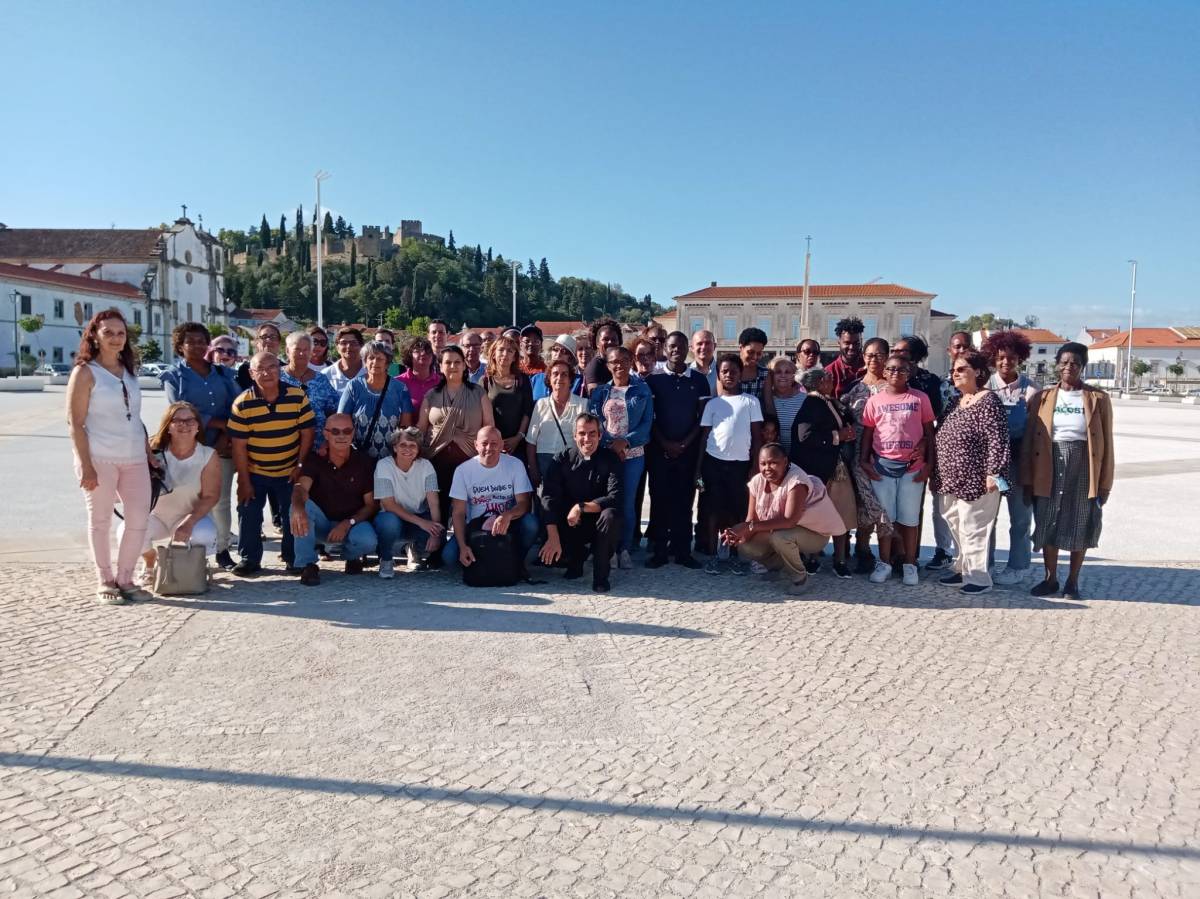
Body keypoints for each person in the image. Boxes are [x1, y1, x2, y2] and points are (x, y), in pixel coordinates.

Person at [66, 308, 155, 604]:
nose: (115, 338)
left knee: (138, 519)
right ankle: (105, 580)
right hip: (99, 458)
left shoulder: (129, 370)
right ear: (94, 336)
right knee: (100, 520)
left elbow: (135, 417)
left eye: (120, 333)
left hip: (135, 458)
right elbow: (75, 423)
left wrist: (148, 452)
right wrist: (85, 465)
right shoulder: (85, 372)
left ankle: (125, 578)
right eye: (108, 333)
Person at [1021, 342, 1114, 601]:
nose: (1068, 367)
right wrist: (1027, 479)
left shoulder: (1098, 399)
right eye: (1064, 362)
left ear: (1083, 366)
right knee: (1048, 519)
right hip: (1048, 464)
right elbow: (1029, 440)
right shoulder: (1042, 398)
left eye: (1075, 363)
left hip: (1084, 465)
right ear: (1057, 365)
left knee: (1080, 520)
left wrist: (1104, 483)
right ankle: (1050, 578)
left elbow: (1107, 443)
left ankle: (1073, 581)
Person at [160, 322, 240, 570]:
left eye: (201, 341)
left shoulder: (224, 375)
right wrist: (217, 423)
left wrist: (227, 434)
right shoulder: (174, 376)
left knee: (220, 500)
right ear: (180, 346)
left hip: (223, 445)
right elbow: (176, 409)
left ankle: (222, 549)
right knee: (188, 498)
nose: (196, 345)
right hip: (188, 447)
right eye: (190, 341)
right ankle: (188, 549)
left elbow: (238, 406)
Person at [227, 352, 315, 576]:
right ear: (251, 373)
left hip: (289, 470)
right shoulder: (242, 403)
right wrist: (244, 481)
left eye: (272, 367)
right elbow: (238, 446)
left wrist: (300, 466)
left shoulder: (297, 396)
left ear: (280, 369)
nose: (267, 373)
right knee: (249, 512)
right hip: (256, 471)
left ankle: (292, 557)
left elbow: (307, 433)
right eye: (260, 369)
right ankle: (249, 559)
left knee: (291, 514)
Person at [932, 351, 1010, 595]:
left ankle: (978, 577)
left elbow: (998, 439)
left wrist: (994, 473)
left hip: (977, 479)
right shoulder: (956, 401)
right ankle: (962, 568)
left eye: (961, 369)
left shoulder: (989, 401)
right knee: (956, 524)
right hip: (950, 478)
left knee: (974, 527)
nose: (955, 374)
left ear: (978, 371)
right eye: (953, 370)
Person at [722, 444, 850, 595]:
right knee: (746, 546)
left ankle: (800, 578)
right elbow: (751, 519)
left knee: (780, 537)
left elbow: (789, 520)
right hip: (786, 530)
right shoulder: (757, 481)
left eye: (773, 463)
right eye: (763, 463)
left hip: (814, 534)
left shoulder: (797, 481)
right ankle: (780, 568)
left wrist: (748, 527)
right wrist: (738, 534)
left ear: (785, 461)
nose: (767, 468)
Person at [859, 353, 935, 586]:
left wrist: (929, 465)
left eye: (901, 370)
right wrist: (864, 461)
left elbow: (929, 433)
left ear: (909, 373)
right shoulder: (874, 401)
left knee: (909, 519)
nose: (896, 373)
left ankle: (910, 564)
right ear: (884, 372)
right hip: (882, 466)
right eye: (891, 369)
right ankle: (884, 563)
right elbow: (868, 433)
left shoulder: (920, 398)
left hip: (913, 468)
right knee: (886, 519)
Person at [137, 402, 221, 586]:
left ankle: (195, 565)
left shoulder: (208, 455)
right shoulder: (153, 452)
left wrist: (188, 523)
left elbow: (211, 496)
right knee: (127, 532)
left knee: (204, 534)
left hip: (189, 515)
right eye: (178, 421)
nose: (185, 425)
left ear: (198, 426)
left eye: (190, 420)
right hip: (155, 517)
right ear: (168, 426)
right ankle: (150, 561)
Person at [290, 413, 378, 586]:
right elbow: (301, 488)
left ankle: (351, 557)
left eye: (347, 431)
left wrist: (348, 523)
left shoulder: (363, 462)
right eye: (335, 431)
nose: (341, 436)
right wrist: (298, 509)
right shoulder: (315, 459)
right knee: (299, 507)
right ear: (326, 434)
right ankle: (308, 565)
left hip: (351, 524)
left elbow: (371, 505)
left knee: (368, 540)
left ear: (353, 433)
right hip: (322, 524)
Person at [645, 332, 709, 569]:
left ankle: (683, 551)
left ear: (687, 348)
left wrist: (684, 444)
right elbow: (649, 417)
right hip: (659, 451)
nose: (676, 350)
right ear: (665, 348)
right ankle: (660, 551)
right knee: (659, 500)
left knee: (685, 501)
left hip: (688, 452)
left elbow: (702, 418)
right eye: (672, 346)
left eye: (681, 346)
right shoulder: (653, 380)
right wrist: (665, 443)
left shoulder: (699, 380)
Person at [539, 413, 623, 592]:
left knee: (611, 516)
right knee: (551, 512)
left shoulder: (610, 458)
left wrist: (581, 507)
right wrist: (552, 537)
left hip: (597, 520)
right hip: (569, 522)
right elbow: (548, 497)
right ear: (574, 435)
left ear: (600, 435)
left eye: (592, 434)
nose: (587, 439)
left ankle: (601, 576)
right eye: (582, 433)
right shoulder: (561, 459)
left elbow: (614, 497)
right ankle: (574, 560)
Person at [588, 346, 654, 570]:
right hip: (606, 455)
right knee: (605, 501)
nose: (619, 365)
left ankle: (624, 548)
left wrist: (625, 442)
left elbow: (646, 424)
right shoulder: (600, 393)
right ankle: (606, 548)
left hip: (633, 455)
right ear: (608, 365)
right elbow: (595, 422)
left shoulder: (642, 390)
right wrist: (611, 443)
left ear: (631, 361)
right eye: (614, 361)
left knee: (627, 503)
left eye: (624, 360)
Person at [697, 353, 764, 574]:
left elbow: (757, 438)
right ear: (718, 375)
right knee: (712, 510)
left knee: (737, 511)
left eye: (734, 371)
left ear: (740, 374)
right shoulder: (713, 404)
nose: (729, 375)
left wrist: (755, 466)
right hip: (713, 464)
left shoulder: (751, 402)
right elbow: (704, 438)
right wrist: (698, 470)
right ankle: (713, 555)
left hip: (740, 466)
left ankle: (735, 554)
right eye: (724, 371)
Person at [982, 330, 1038, 585]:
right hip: (993, 464)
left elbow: (1038, 429)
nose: (1006, 362)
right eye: (1001, 357)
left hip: (1018, 462)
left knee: (1020, 517)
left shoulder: (1031, 390)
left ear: (1020, 359)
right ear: (993, 358)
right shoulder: (985, 386)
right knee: (988, 516)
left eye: (1011, 358)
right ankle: (986, 563)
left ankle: (1018, 565)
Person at [791, 367, 858, 577]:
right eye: (828, 378)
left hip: (835, 468)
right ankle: (815, 557)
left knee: (841, 513)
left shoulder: (828, 401)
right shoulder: (812, 403)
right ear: (820, 382)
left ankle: (838, 558)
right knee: (819, 514)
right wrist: (838, 436)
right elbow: (805, 436)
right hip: (819, 470)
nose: (832, 380)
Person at [444, 426, 538, 573]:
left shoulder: (515, 465)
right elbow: (458, 513)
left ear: (501, 445)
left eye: (494, 443)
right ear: (476, 445)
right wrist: (463, 546)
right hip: (476, 526)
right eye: (484, 443)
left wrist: (507, 515)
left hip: (508, 522)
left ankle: (516, 560)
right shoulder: (463, 470)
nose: (489, 448)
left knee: (531, 524)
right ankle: (476, 559)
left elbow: (523, 503)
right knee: (449, 556)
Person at [840, 337, 893, 573]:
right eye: (870, 355)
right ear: (863, 357)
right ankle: (862, 549)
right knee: (863, 501)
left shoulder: (894, 387)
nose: (874, 359)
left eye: (879, 355)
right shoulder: (854, 388)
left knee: (883, 501)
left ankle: (889, 553)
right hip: (858, 453)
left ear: (887, 357)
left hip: (887, 454)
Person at [420, 345, 494, 503]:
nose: (452, 366)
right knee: (439, 506)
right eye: (447, 362)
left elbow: (489, 427)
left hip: (470, 460)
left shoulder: (479, 393)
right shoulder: (431, 395)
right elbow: (421, 428)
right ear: (440, 366)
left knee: (468, 507)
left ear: (464, 365)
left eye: (457, 362)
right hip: (435, 460)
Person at [926, 330, 975, 571]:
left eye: (965, 346)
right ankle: (943, 550)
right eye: (957, 347)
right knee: (942, 506)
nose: (961, 350)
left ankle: (966, 556)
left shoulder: (981, 383)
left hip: (972, 454)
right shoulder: (941, 384)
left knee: (969, 509)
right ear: (949, 351)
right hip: (944, 452)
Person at [374, 426, 444, 577]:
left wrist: (435, 533)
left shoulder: (426, 466)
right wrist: (422, 523)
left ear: (418, 449)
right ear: (395, 447)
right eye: (403, 445)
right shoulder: (384, 465)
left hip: (418, 515)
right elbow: (389, 504)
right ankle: (386, 558)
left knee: (435, 536)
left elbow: (434, 503)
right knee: (388, 524)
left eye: (413, 445)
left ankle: (413, 550)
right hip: (392, 516)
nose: (408, 449)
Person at [337, 340, 414, 460]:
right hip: (358, 456)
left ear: (387, 363)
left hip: (390, 458)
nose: (375, 362)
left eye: (380, 359)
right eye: (371, 358)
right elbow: (341, 420)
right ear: (365, 362)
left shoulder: (400, 389)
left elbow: (405, 426)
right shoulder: (353, 386)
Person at [526, 358, 588, 489]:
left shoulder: (582, 404)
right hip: (543, 464)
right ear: (549, 379)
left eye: (564, 374)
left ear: (570, 380)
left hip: (570, 464)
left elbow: (585, 440)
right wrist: (533, 470)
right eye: (555, 374)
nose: (559, 378)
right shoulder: (541, 404)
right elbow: (531, 441)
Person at [281, 331, 341, 450]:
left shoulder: (321, 379)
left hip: (318, 448)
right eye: (297, 349)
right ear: (287, 351)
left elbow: (334, 410)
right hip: (285, 447)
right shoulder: (276, 377)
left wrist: (329, 440)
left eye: (306, 349)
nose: (302, 353)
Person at [482, 334, 533, 456]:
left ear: (514, 357)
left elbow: (527, 411)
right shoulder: (485, 381)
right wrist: (496, 440)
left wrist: (518, 437)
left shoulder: (523, 380)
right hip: (493, 445)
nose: (505, 354)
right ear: (493, 354)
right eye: (501, 350)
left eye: (510, 351)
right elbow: (482, 415)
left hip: (518, 444)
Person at [893, 336, 944, 419]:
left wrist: (912, 379)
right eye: (893, 351)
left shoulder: (930, 380)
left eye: (900, 351)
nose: (895, 354)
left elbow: (935, 409)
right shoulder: (889, 377)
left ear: (914, 355)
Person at [762, 355, 805, 455]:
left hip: (799, 456)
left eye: (787, 372)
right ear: (771, 376)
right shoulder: (765, 400)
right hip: (772, 457)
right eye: (778, 372)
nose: (783, 375)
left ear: (793, 376)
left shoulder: (805, 399)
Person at [530, 335, 582, 400]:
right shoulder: (536, 379)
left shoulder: (579, 381)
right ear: (551, 352)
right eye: (556, 349)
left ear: (570, 359)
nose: (558, 354)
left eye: (564, 351)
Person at [397, 336, 441, 412]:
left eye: (428, 350)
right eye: (417, 351)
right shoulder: (398, 382)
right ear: (409, 355)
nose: (423, 353)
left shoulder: (441, 382)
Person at [826, 317, 866, 398]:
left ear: (861, 342)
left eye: (856, 343)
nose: (851, 347)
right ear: (839, 342)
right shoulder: (829, 372)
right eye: (847, 343)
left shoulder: (870, 367)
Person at [583, 318, 624, 394]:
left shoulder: (622, 363)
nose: (610, 342)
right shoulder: (594, 367)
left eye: (614, 339)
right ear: (597, 343)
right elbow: (595, 394)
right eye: (605, 339)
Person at [236, 323, 282, 389]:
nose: (268, 340)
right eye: (264, 337)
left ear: (279, 342)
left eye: (273, 337)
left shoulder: (286, 368)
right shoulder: (245, 369)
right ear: (257, 343)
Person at [323, 326, 366, 393]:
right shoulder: (325, 375)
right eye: (344, 343)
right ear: (337, 347)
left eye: (353, 343)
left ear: (362, 346)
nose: (348, 346)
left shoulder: (372, 372)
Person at [736, 327, 770, 401]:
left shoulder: (764, 374)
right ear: (741, 348)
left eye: (759, 353)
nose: (755, 357)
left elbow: (768, 403)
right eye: (750, 352)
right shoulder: (727, 371)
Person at [689, 329, 718, 393]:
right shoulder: (685, 372)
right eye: (699, 343)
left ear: (714, 346)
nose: (704, 347)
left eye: (707, 343)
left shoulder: (722, 372)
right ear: (692, 348)